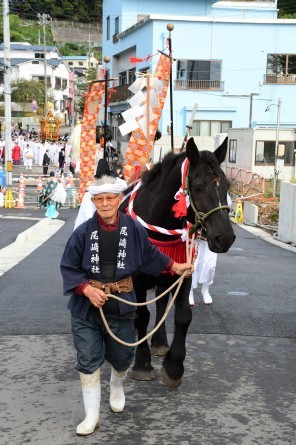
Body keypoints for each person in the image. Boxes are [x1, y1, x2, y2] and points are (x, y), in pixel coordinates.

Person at [60, 173, 193, 436]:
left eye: (110, 198)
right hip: (86, 308)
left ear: (119, 200)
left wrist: (175, 266)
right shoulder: (82, 233)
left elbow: (149, 255)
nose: (106, 203)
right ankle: (92, 416)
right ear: (93, 201)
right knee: (88, 359)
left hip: (122, 305)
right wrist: (86, 288)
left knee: (122, 359)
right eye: (100, 199)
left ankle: (117, 384)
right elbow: (68, 267)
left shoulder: (133, 229)